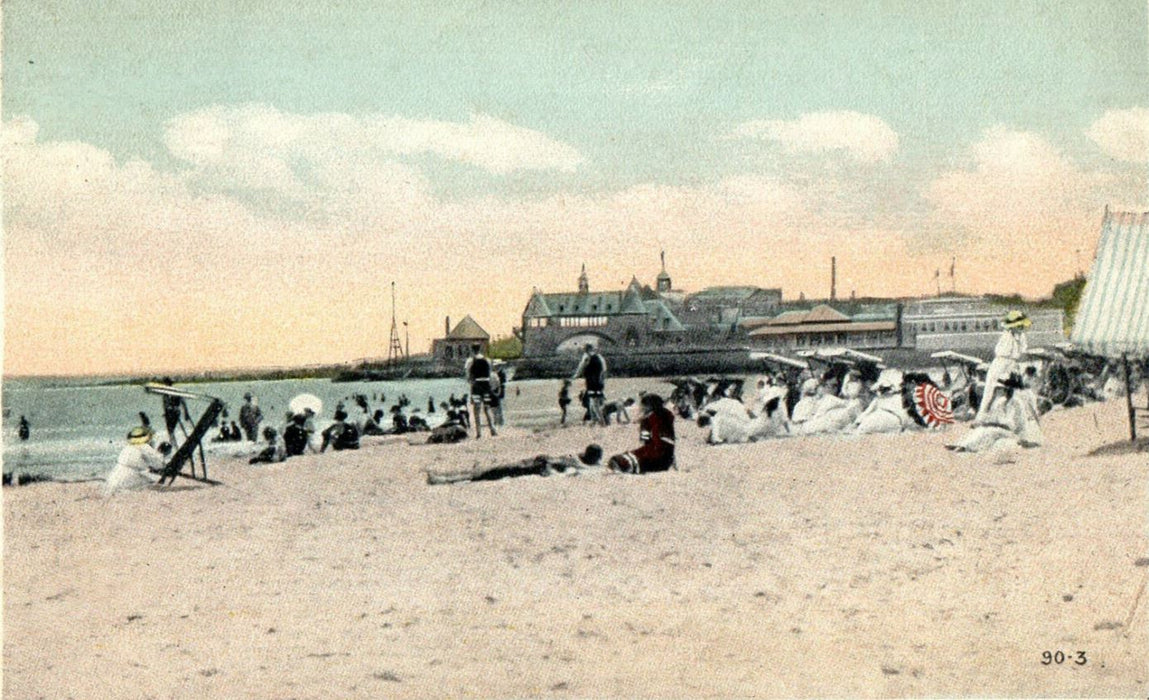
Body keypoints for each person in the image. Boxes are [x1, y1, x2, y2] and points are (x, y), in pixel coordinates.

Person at [429, 445, 603, 484]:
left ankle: (442, 479)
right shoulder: (576, 462)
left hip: (528, 467)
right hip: (530, 463)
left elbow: (552, 471)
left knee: (485, 474)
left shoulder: (574, 464)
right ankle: (444, 476)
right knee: (485, 472)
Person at [949, 373, 1033, 452]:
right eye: (1004, 388)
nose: (1006, 391)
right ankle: (961, 444)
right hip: (1001, 429)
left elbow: (1013, 425)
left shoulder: (1017, 403)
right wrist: (988, 422)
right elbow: (993, 417)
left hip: (1013, 432)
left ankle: (967, 447)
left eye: (1009, 389)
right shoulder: (1000, 402)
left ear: (1013, 389)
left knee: (990, 432)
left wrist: (994, 424)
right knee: (981, 430)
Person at [977, 310, 1030, 418]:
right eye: (1018, 326)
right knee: (990, 389)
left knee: (1020, 388)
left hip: (1013, 364)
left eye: (1022, 326)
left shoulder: (1022, 337)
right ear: (1012, 326)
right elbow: (1003, 354)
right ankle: (983, 414)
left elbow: (1021, 352)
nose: (1021, 328)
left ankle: (1022, 414)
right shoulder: (1006, 336)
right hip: (1001, 364)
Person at [608, 394, 676, 474]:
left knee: (618, 460)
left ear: (648, 406)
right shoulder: (667, 415)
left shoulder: (646, 420)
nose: (641, 408)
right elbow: (669, 442)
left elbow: (646, 441)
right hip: (667, 459)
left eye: (643, 406)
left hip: (655, 456)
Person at [105, 425, 167, 494]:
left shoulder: (127, 447)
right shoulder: (145, 447)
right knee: (152, 482)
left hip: (115, 475)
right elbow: (159, 464)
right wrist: (161, 453)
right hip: (130, 476)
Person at [464, 344, 498, 438]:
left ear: (472, 350)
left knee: (476, 409)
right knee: (486, 408)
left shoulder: (470, 361)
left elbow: (468, 375)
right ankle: (492, 429)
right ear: (480, 349)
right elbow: (490, 373)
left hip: (477, 385)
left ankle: (479, 432)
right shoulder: (487, 360)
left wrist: (471, 383)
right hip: (486, 384)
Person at [572, 343, 608, 425]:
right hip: (600, 382)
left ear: (585, 349)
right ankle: (594, 420)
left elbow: (581, 367)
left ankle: (601, 422)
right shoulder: (600, 356)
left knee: (593, 402)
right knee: (594, 401)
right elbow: (604, 370)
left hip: (591, 382)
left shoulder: (586, 356)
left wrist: (575, 376)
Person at [161, 377, 193, 446]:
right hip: (172, 411)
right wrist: (186, 413)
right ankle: (173, 443)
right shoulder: (168, 392)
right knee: (170, 430)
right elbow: (166, 404)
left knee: (170, 429)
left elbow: (181, 402)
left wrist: (186, 413)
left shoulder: (170, 392)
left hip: (173, 411)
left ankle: (173, 443)